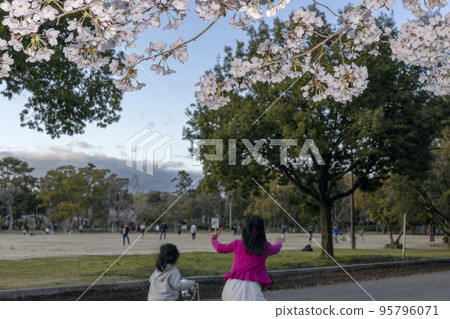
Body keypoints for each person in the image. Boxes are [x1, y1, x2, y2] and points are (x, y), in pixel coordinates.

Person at [211, 214, 282, 301]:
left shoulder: (238, 244)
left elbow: (220, 248)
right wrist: (279, 242)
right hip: (249, 291)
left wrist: (214, 239)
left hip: (230, 289)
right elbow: (276, 248)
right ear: (262, 230)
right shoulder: (265, 247)